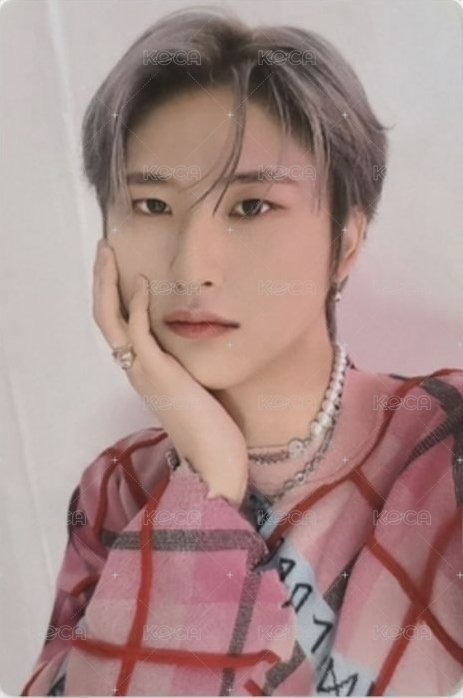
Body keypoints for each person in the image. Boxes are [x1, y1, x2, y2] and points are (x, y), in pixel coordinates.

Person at [21, 6, 463, 696]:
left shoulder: (443, 443)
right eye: (152, 206)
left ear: (345, 241)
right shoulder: (117, 488)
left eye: (251, 207)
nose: (191, 267)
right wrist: (207, 480)